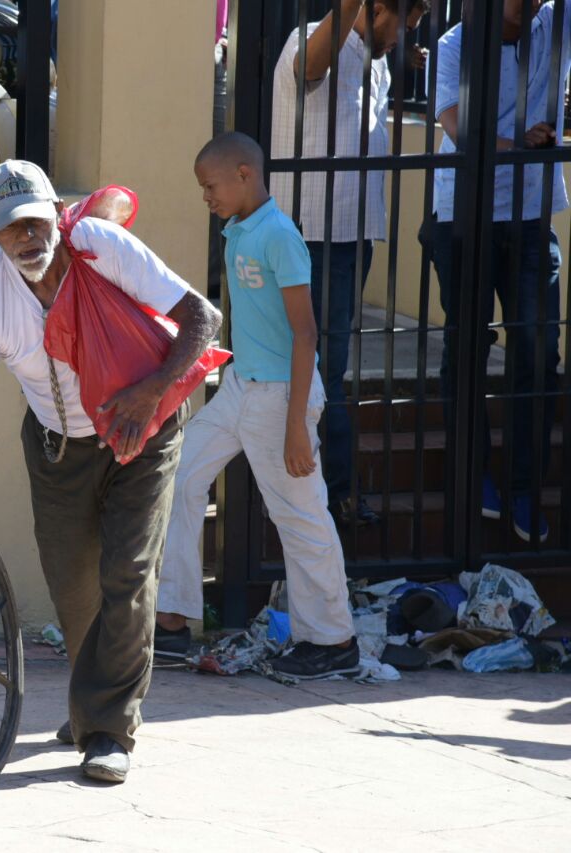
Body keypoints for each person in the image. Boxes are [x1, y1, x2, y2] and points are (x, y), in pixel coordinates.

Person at [0, 160, 222, 783]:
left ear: (56, 218)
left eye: (37, 222)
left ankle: (109, 730)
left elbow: (204, 318)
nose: (29, 239)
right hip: (59, 446)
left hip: (141, 429)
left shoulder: (100, 247)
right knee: (74, 586)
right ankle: (92, 699)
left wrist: (152, 391)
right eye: (13, 230)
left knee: (128, 571)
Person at [157, 133, 359, 681]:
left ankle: (333, 640)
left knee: (300, 515)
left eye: (210, 185)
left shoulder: (279, 236)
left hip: (280, 398)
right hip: (241, 388)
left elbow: (306, 333)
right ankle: (172, 624)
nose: (205, 196)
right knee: (177, 477)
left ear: (244, 173)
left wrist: (296, 424)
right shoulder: (237, 231)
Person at [270, 0, 428, 527]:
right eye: (401, 23)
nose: (404, 36)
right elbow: (308, 70)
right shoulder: (313, 41)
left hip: (350, 237)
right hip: (311, 239)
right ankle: (328, 494)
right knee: (316, 371)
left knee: (322, 368)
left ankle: (313, 492)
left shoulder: (375, 60)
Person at [428, 0, 567, 543]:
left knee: (537, 351)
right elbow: (458, 127)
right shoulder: (455, 44)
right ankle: (472, 477)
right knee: (467, 348)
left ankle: (525, 490)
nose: (523, 6)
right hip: (465, 216)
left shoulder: (556, 23)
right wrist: (521, 146)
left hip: (532, 219)